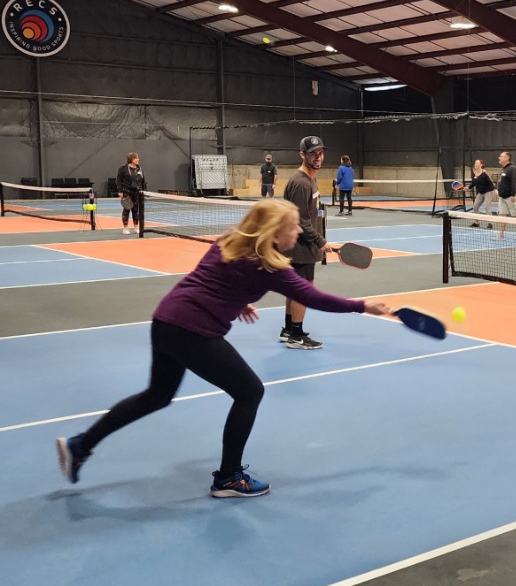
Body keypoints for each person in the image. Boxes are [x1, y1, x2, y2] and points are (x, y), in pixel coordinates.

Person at [55, 199, 390, 498]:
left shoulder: (229, 242)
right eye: (292, 226)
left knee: (156, 395)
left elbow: (213, 280)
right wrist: (363, 306)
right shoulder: (271, 266)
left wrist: (238, 300)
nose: (298, 230)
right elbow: (314, 298)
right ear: (275, 231)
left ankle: (81, 444)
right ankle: (229, 477)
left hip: (166, 320)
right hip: (192, 331)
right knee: (249, 392)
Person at [281, 135, 332, 349]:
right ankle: (296, 335)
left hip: (303, 246)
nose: (318, 157)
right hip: (301, 247)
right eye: (313, 154)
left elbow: (314, 213)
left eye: (320, 153)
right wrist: (320, 241)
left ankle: (288, 330)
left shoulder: (310, 178)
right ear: (303, 155)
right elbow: (300, 220)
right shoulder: (301, 183)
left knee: (295, 289)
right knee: (303, 290)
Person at [116, 152, 146, 236]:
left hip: (137, 193)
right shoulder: (123, 168)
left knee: (136, 210)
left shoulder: (139, 169)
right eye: (136, 158)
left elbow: (143, 181)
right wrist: (120, 191)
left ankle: (136, 227)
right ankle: (125, 228)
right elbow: (118, 180)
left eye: (138, 158)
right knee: (126, 209)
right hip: (127, 192)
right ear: (131, 159)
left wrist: (143, 191)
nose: (138, 159)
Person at [496, 151, 516, 240]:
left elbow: (514, 182)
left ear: (507, 158)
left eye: (501, 156)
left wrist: (513, 195)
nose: (499, 158)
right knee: (502, 215)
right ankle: (501, 235)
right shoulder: (504, 169)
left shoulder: (512, 168)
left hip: (511, 196)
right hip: (502, 197)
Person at [468, 158, 497, 227]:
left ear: (481, 165)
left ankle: (490, 223)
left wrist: (495, 190)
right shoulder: (474, 173)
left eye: (477, 163)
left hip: (488, 191)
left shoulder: (484, 173)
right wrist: (468, 187)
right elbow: (474, 182)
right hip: (481, 192)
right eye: (475, 163)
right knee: (475, 207)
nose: (476, 164)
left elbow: (490, 183)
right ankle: (476, 222)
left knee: (487, 207)